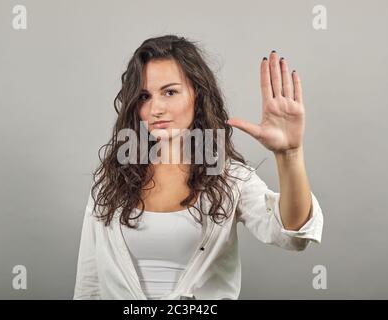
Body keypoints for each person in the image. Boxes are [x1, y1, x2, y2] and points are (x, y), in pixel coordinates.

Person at [73, 35, 324, 300]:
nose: (156, 108)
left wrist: (290, 154)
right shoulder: (111, 180)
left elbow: (294, 234)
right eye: (144, 96)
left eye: (170, 92)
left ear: (197, 94)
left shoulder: (229, 178)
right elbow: (89, 285)